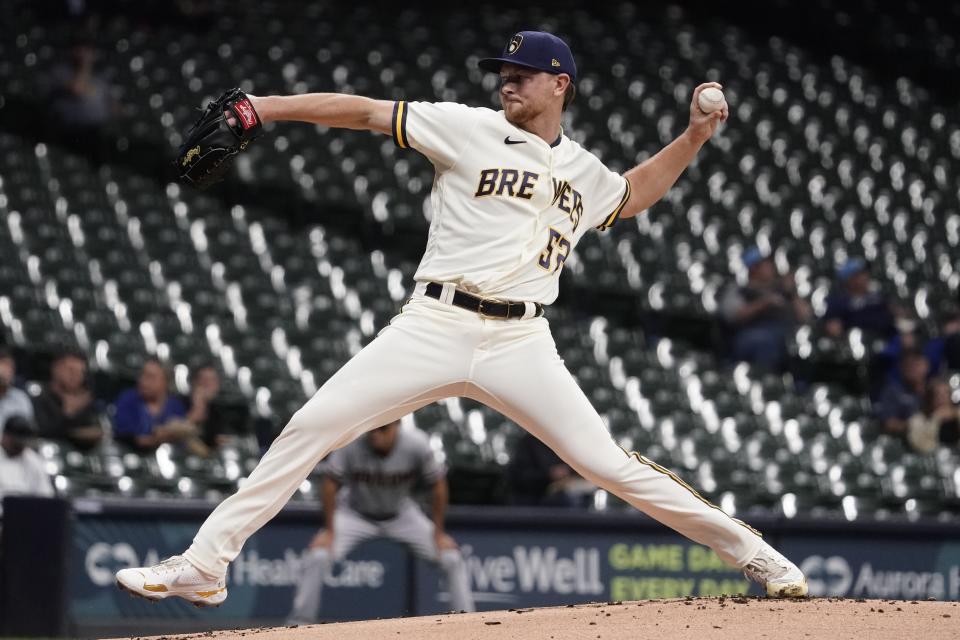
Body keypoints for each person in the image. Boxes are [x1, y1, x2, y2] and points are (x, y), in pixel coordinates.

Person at [115, 30, 807, 607]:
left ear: (560, 83)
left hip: (521, 340)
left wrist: (692, 137)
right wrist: (264, 108)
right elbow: (362, 112)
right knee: (313, 426)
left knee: (610, 465)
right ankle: (206, 566)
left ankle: (762, 559)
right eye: (503, 74)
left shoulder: (583, 170)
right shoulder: (466, 126)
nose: (507, 84)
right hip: (434, 323)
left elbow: (631, 196)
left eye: (522, 75)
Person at [287, 419, 474, 624]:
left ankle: (468, 625)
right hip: (355, 514)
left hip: (401, 514)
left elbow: (438, 486)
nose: (376, 434)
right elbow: (330, 484)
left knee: (451, 558)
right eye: (372, 429)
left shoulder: (416, 443)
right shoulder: (352, 441)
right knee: (318, 556)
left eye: (383, 428)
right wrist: (329, 530)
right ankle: (299, 624)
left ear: (397, 426)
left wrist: (438, 533)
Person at [720, 247, 811, 373]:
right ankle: (765, 379)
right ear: (753, 268)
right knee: (765, 342)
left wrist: (792, 293)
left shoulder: (782, 288)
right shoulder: (740, 289)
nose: (771, 267)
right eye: (766, 264)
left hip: (786, 335)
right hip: (752, 335)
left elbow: (805, 317)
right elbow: (733, 315)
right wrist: (764, 303)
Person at [113, 358, 199, 452]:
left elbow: (184, 434)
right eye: (142, 375)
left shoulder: (175, 405)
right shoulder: (128, 400)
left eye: (150, 377)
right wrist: (162, 437)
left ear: (165, 381)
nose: (143, 381)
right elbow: (128, 438)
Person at [33, 348, 104, 451]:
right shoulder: (40, 398)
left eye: (81, 372)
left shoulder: (84, 400)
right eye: (71, 370)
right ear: (56, 369)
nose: (76, 376)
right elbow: (43, 433)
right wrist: (69, 413)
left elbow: (95, 430)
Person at [509, 431, 594, 507]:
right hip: (536, 501)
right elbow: (520, 477)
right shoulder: (529, 442)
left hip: (572, 493)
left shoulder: (570, 441)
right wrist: (550, 475)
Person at [823, 258, 899, 340]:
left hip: (886, 340)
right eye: (859, 275)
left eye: (865, 273)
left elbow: (896, 317)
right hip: (856, 344)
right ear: (849, 279)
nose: (865, 277)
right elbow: (834, 329)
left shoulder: (880, 296)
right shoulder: (837, 302)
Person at [0, 416, 54, 517]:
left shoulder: (32, 459)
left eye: (22, 443)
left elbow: (45, 496)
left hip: (25, 517)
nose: (20, 447)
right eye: (16, 443)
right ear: (5, 436)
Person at [874, 350, 929, 438]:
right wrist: (913, 426)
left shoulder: (936, 388)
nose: (912, 369)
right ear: (901, 369)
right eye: (908, 365)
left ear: (926, 366)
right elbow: (888, 423)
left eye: (916, 364)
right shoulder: (893, 391)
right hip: (904, 442)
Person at [907, 379, 960, 453]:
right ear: (930, 398)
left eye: (946, 394)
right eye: (938, 395)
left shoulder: (957, 415)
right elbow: (922, 447)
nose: (942, 399)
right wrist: (935, 419)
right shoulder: (917, 420)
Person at [0, 348, 34, 438]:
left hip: (10, 449)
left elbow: (25, 432)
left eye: (10, 367)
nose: (6, 371)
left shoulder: (20, 398)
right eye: (2, 364)